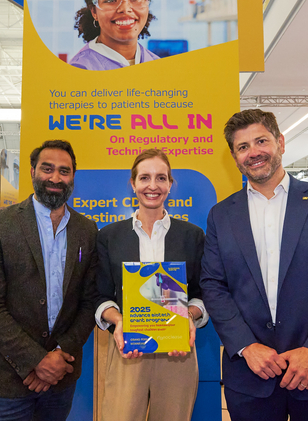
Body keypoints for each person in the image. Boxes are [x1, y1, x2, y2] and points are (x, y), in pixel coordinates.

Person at [200, 109, 308, 421]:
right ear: (234, 157)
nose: (253, 152)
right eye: (243, 147)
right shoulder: (221, 215)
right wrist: (246, 346)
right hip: (252, 376)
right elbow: (214, 287)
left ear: (280, 142)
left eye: (261, 141)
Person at [0, 139, 98, 421]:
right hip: (7, 378)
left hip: (61, 377)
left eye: (64, 171)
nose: (55, 178)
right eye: (47, 169)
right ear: (32, 172)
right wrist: (36, 361)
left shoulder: (87, 231)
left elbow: (89, 302)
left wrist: (59, 355)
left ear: (73, 177)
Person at [96, 149, 208, 421]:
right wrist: (119, 320)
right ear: (133, 184)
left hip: (177, 350)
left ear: (170, 185)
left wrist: (188, 317)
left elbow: (201, 294)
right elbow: (100, 295)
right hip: (128, 348)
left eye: (161, 178)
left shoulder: (192, 236)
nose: (153, 185)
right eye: (144, 177)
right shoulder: (109, 236)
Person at [70, 0, 159, 70]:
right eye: (110, 0)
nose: (125, 9)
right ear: (94, 11)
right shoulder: (80, 69)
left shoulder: (158, 65)